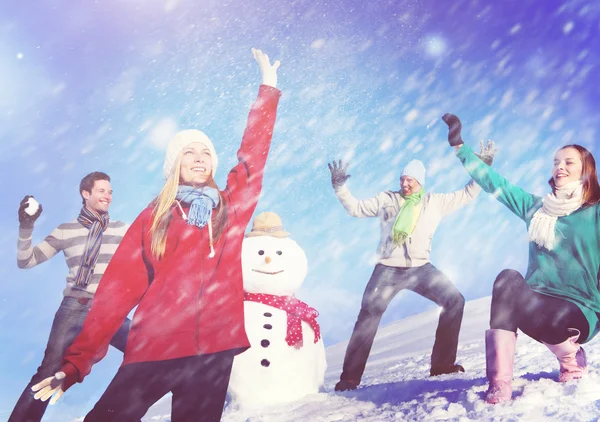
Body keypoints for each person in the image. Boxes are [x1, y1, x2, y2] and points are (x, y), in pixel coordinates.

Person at [30, 48, 282, 422]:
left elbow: (252, 157)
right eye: (188, 153)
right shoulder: (153, 219)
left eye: (205, 153)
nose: (198, 157)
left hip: (212, 354)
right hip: (155, 348)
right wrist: (76, 363)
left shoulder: (230, 208)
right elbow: (114, 296)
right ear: (174, 165)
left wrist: (268, 91)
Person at [442, 113, 600, 404]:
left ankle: (572, 358)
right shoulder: (536, 208)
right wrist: (459, 147)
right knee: (507, 280)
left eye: (568, 162)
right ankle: (499, 383)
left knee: (557, 317)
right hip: (538, 301)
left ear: (586, 170)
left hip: (582, 307)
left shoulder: (595, 211)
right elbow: (493, 182)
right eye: (555, 162)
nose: (559, 167)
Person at [328, 141, 495, 392]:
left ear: (421, 182)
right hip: (387, 268)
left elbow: (468, 193)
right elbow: (356, 208)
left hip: (421, 269)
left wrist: (482, 168)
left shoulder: (434, 202)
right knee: (368, 313)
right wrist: (340, 187)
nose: (405, 184)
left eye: (411, 181)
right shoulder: (387, 199)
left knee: (454, 301)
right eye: (402, 179)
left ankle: (442, 364)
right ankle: (349, 379)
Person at [9, 172, 131, 422]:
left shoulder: (121, 230)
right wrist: (26, 226)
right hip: (75, 307)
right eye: (101, 191)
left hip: (109, 310)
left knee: (147, 353)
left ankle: (122, 414)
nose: (107, 196)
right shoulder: (66, 231)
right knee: (49, 372)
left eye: (110, 191)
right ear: (86, 194)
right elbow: (26, 260)